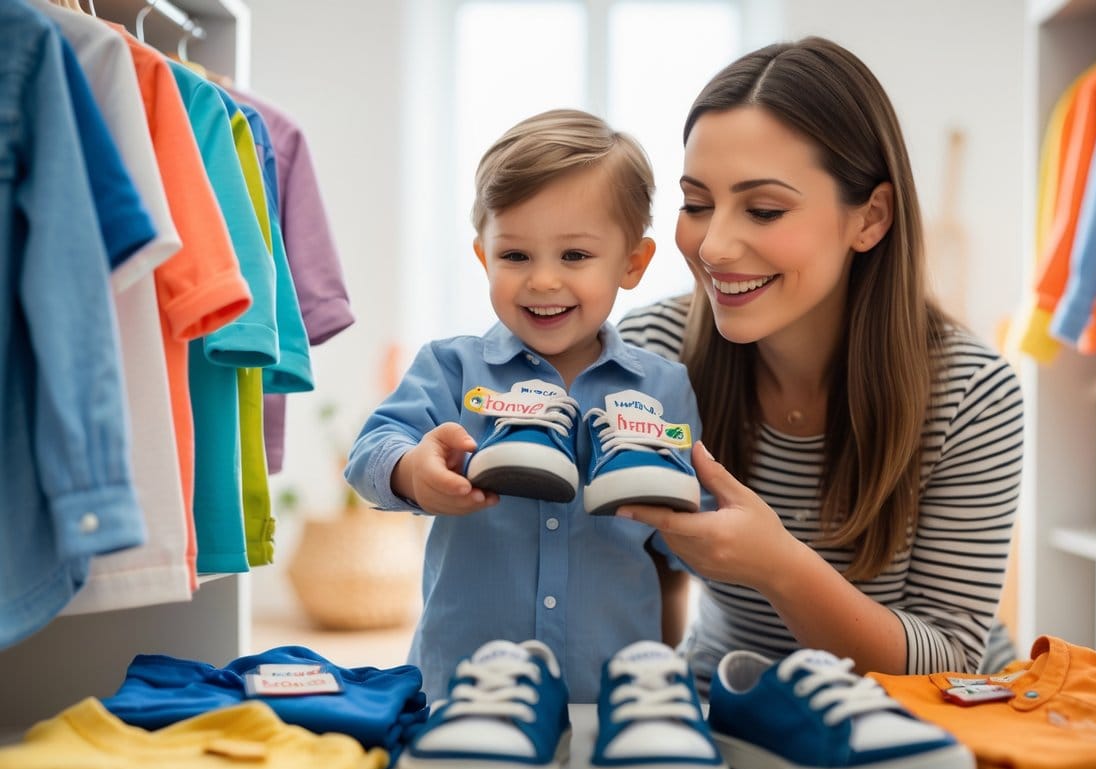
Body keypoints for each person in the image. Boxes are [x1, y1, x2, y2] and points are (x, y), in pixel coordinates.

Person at [616, 37, 1025, 695]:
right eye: (696, 204)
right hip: (726, 697)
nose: (713, 246)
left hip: (912, 717)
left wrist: (779, 566)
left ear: (870, 218)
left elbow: (949, 660)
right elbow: (631, 570)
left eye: (764, 209)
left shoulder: (971, 393)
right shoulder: (651, 353)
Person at [344, 109, 702, 703]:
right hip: (463, 689)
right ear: (484, 257)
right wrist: (412, 472)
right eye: (515, 256)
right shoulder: (452, 368)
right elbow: (369, 454)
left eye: (574, 256)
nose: (542, 281)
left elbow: (683, 545)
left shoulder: (664, 388)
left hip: (609, 696)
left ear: (632, 263)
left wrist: (684, 517)